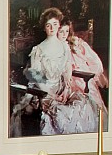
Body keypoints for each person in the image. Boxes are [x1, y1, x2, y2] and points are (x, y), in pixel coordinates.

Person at [21, 7, 97, 135]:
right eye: (48, 25)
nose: (52, 28)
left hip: (62, 90)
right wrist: (50, 93)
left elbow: (67, 65)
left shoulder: (64, 46)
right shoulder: (38, 49)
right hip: (44, 92)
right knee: (62, 113)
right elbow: (35, 76)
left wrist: (67, 83)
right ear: (44, 28)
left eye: (55, 24)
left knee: (83, 104)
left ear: (59, 25)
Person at [60, 18, 108, 119]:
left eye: (67, 31)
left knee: (86, 95)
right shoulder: (55, 46)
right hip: (63, 77)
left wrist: (78, 53)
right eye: (61, 31)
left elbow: (95, 62)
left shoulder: (77, 44)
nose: (64, 34)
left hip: (79, 77)